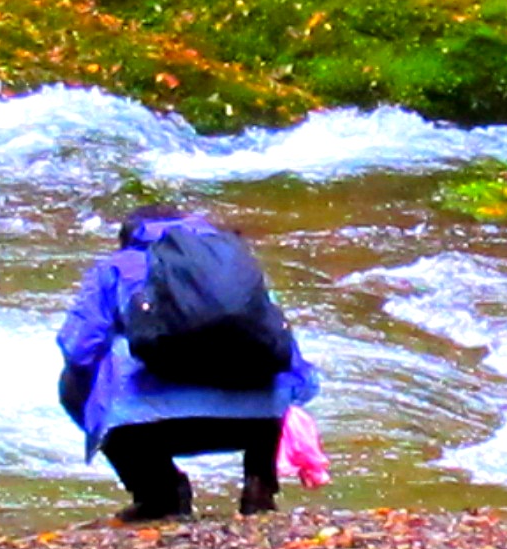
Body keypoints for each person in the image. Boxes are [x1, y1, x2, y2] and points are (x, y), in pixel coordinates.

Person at [57, 204, 319, 523]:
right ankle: (259, 487)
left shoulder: (115, 267)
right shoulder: (235, 266)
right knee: (269, 371)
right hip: (254, 421)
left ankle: (160, 492)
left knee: (72, 383)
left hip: (149, 427)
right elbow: (285, 347)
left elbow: (79, 348)